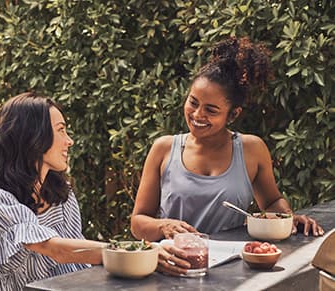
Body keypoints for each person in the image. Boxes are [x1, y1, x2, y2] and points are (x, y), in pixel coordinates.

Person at [130, 37, 325, 276]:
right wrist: (164, 225)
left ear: (232, 115)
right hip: (175, 268)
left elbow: (272, 202)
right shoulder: (164, 149)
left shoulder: (252, 150)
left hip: (234, 271)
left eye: (211, 110)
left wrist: (288, 218)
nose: (197, 115)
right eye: (193, 102)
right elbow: (138, 222)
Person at [0, 92, 106, 290]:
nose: (69, 141)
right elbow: (52, 248)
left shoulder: (61, 194)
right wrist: (129, 252)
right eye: (61, 131)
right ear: (33, 136)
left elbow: (77, 259)